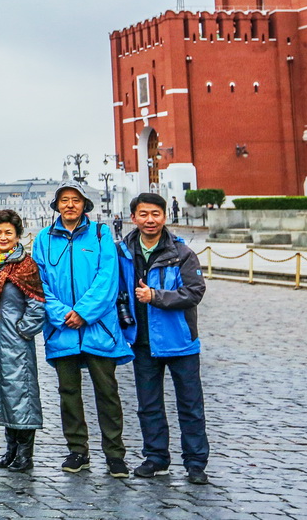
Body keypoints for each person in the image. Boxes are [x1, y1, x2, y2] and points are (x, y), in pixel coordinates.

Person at [32, 181, 132, 479]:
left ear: (84, 204)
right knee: (69, 393)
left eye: (75, 200)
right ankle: (77, 450)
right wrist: (62, 314)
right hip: (62, 329)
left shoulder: (101, 234)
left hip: (98, 327)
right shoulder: (43, 239)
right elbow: (39, 282)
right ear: (57, 205)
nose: (70, 205)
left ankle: (114, 454)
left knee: (107, 392)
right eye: (64, 200)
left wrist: (84, 313)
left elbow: (107, 278)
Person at [119, 193, 209, 485]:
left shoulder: (182, 253)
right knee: (148, 405)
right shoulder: (123, 252)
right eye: (144, 214)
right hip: (142, 341)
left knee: (190, 405)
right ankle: (156, 457)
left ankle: (195, 463)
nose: (150, 220)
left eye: (155, 214)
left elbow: (194, 292)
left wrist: (155, 296)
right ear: (133, 217)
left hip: (180, 341)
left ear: (164, 216)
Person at [0, 209, 45, 473]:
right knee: (3, 393)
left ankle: (25, 454)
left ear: (17, 236)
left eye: (8, 233)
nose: (3, 237)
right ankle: (11, 449)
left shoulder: (25, 265)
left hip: (15, 341)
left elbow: (37, 304)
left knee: (21, 394)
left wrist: (23, 331)